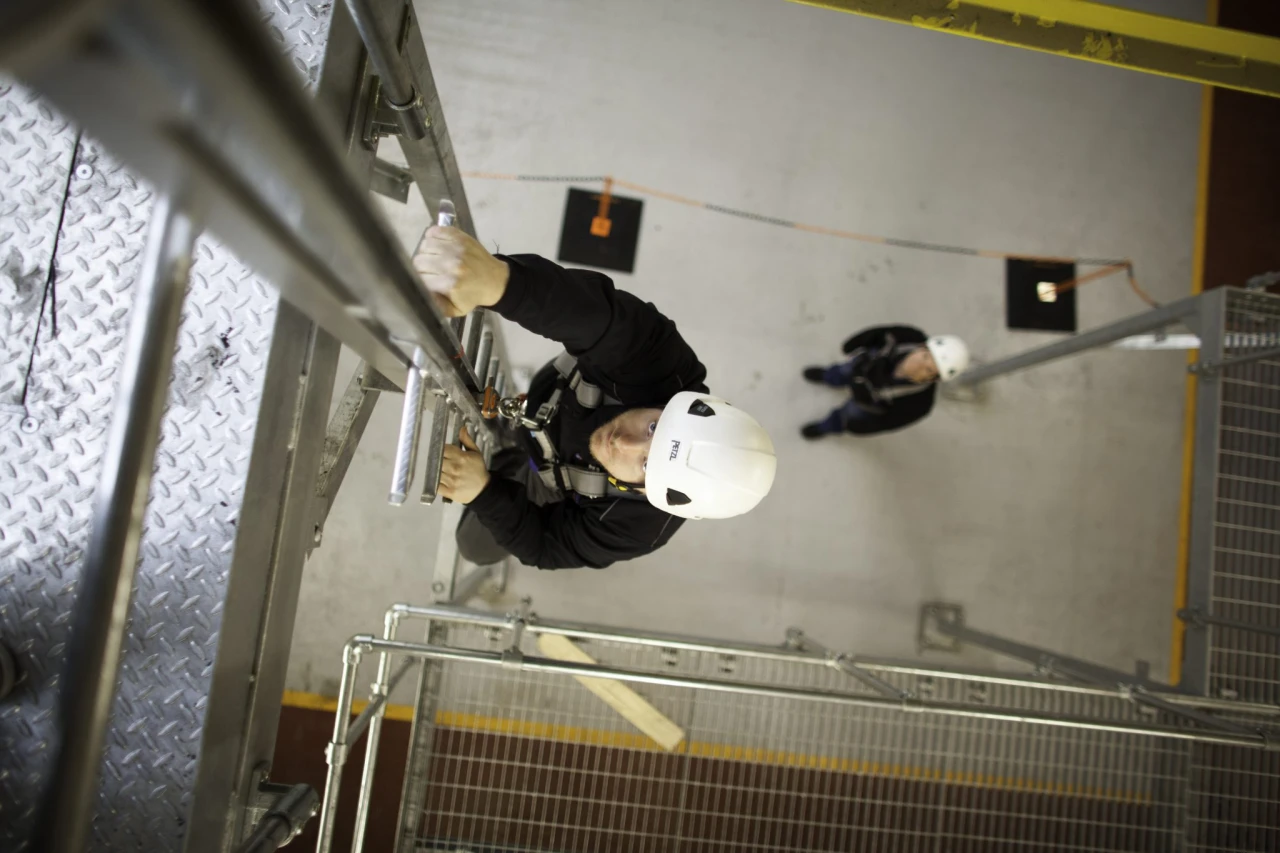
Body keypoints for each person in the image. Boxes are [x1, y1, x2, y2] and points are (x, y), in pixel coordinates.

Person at [413, 226, 777, 570]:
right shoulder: (664, 365)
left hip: (547, 478)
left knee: (473, 546)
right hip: (547, 405)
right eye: (653, 427)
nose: (624, 443)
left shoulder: (642, 525)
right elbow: (596, 317)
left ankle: (510, 457)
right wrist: (501, 283)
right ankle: (515, 435)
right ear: (674, 404)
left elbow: (548, 545)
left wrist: (485, 493)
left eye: (646, 466)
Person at [800, 326, 969, 439]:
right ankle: (828, 376)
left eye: (929, 370)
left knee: (849, 414)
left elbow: (888, 422)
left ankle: (829, 425)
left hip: (866, 402)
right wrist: (854, 343)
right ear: (921, 346)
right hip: (861, 366)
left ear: (933, 379)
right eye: (925, 356)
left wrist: (859, 427)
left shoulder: (919, 403)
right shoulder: (907, 337)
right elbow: (879, 333)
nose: (918, 365)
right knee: (842, 371)